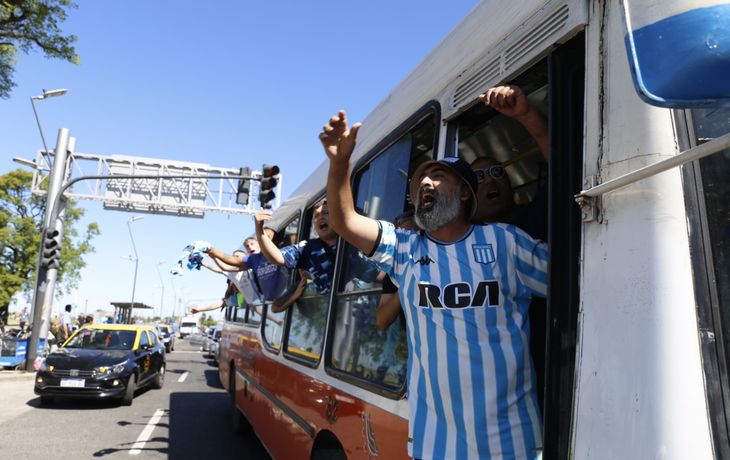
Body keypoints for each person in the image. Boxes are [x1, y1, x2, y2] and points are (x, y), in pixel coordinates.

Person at [319, 110, 548, 460]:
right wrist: (340, 165)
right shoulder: (405, 250)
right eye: (420, 181)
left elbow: (579, 282)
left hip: (513, 443)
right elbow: (346, 222)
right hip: (436, 444)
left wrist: (532, 122)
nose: (425, 183)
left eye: (438, 176)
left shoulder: (507, 243)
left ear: (466, 194)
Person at [472, 84, 549, 241]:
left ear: (510, 185)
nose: (489, 180)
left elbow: (560, 165)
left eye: (496, 171)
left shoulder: (539, 213)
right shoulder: (466, 241)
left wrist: (526, 114)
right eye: (478, 176)